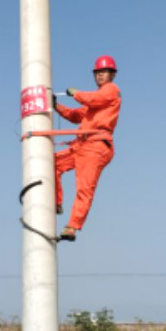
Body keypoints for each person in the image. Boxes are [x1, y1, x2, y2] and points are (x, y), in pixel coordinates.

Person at [53, 55, 121, 241]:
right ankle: (56, 202)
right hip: (82, 144)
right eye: (97, 72)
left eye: (104, 72)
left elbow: (91, 99)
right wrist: (56, 106)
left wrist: (75, 93)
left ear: (112, 74)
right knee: (51, 163)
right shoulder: (95, 102)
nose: (99, 75)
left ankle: (72, 227)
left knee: (84, 188)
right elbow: (76, 115)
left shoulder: (111, 90)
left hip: (96, 145)